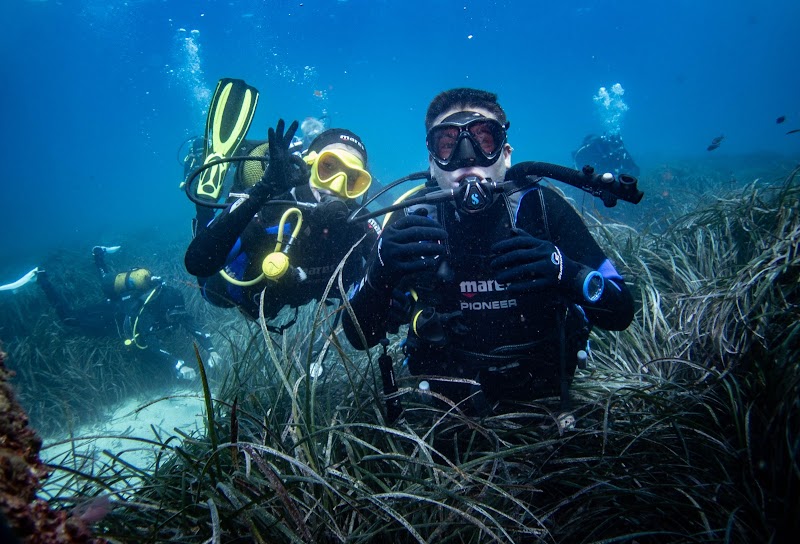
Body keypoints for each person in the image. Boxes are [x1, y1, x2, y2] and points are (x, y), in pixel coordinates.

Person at [342, 88, 635, 416]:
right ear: (432, 163)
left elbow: (621, 310)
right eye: (448, 145)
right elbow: (358, 336)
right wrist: (380, 269)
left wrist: (566, 271)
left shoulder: (541, 209)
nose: (467, 158)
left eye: (484, 140)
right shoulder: (410, 220)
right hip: (448, 406)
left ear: (506, 155)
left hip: (547, 395)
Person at [184, 121, 381, 328]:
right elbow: (198, 263)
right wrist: (262, 191)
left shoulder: (360, 224)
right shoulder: (273, 208)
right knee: (213, 294)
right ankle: (205, 205)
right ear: (309, 165)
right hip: (236, 293)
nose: (336, 186)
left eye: (351, 178)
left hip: (289, 297)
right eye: (328, 167)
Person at [0, 246, 221, 380]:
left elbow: (191, 324)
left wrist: (211, 350)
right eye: (173, 317)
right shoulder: (146, 313)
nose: (176, 320)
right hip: (113, 315)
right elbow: (149, 344)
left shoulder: (172, 302)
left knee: (110, 291)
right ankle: (41, 278)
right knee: (69, 319)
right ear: (163, 310)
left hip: (123, 300)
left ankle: (98, 255)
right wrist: (178, 364)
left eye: (177, 316)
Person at [572, 133, 640, 177]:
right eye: (614, 146)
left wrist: (630, 170)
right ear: (608, 143)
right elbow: (578, 158)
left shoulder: (619, 150)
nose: (616, 150)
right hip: (591, 170)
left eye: (617, 146)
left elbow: (635, 169)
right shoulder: (594, 147)